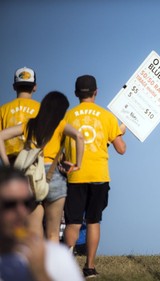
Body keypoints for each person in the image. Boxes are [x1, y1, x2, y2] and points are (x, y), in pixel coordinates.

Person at [63, 75, 126, 278]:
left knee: (72, 222)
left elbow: (60, 149)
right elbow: (121, 149)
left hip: (75, 176)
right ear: (96, 92)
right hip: (99, 175)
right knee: (93, 221)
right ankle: (89, 267)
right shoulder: (107, 117)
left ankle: (66, 264)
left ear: (76, 94)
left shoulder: (67, 116)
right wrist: (119, 132)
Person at [0, 91, 84, 242]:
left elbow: (1, 135)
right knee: (53, 232)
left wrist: (7, 166)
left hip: (31, 176)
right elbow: (79, 136)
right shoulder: (60, 124)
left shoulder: (29, 124)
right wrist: (78, 164)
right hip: (54, 175)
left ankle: (36, 263)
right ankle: (52, 265)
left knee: (34, 230)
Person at [0, 166, 84, 281]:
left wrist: (41, 273)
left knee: (39, 231)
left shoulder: (59, 257)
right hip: (52, 171)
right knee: (53, 232)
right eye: (9, 204)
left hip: (33, 171)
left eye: (27, 203)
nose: (21, 211)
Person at [0, 67, 40, 164]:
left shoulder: (3, 110)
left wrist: (7, 166)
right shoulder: (41, 109)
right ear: (35, 87)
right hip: (35, 162)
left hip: (11, 161)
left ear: (14, 86)